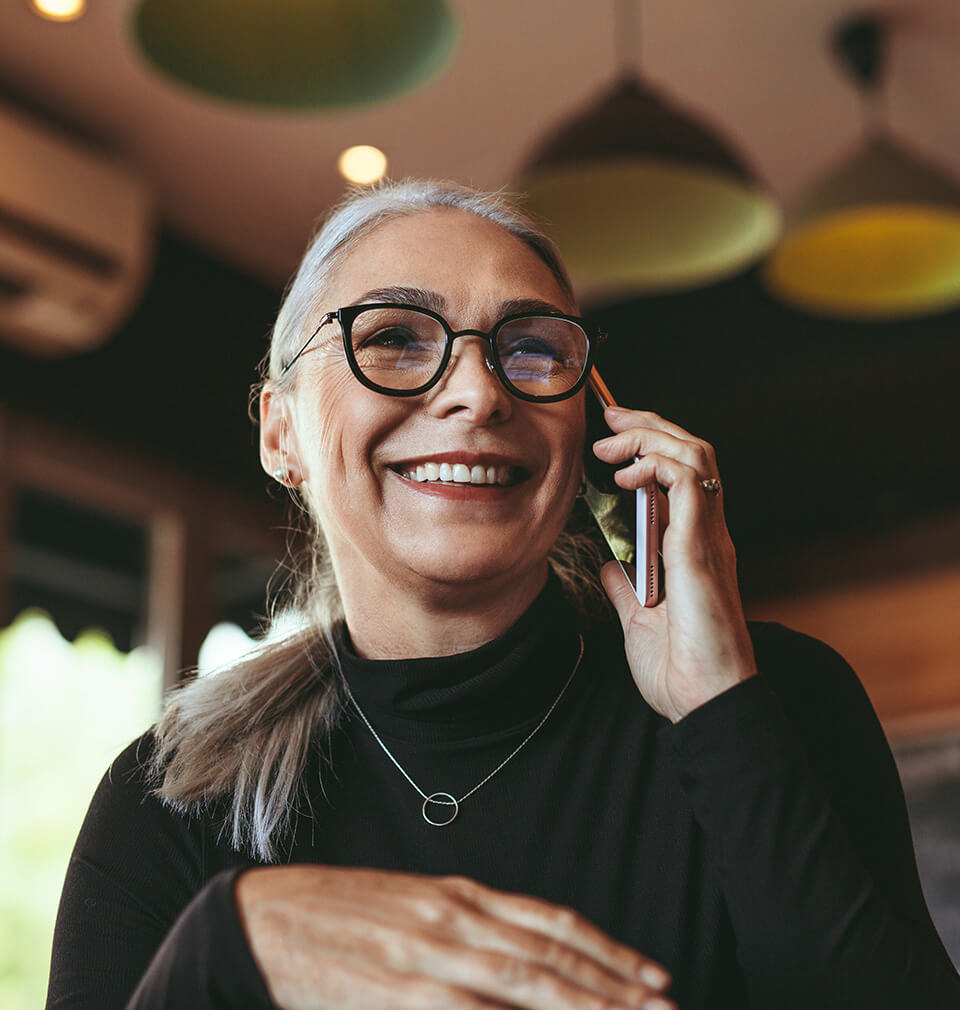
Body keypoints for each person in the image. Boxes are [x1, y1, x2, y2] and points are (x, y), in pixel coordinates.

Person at [47, 180, 960, 1010]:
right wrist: (228, 947)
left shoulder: (779, 699)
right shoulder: (170, 800)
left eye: (529, 350)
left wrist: (720, 710)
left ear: (592, 428)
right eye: (395, 340)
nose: (478, 394)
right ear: (279, 433)